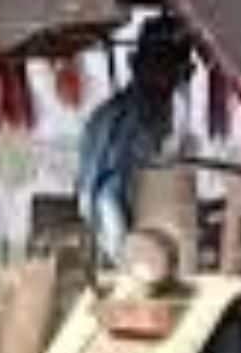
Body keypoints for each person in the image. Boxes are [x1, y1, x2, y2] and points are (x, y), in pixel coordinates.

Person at [76, 14, 195, 266]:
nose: (169, 78)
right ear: (139, 65)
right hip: (128, 250)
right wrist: (126, 254)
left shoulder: (165, 116)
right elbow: (97, 196)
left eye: (176, 69)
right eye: (161, 64)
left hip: (159, 233)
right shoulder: (116, 118)